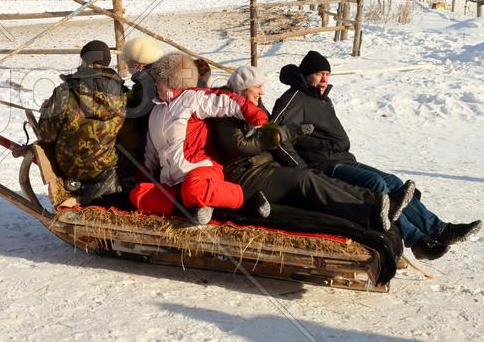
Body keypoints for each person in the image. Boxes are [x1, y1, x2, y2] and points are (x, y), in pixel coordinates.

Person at [272, 50, 482, 260]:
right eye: (319, 73)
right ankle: (417, 240)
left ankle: (440, 230)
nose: (325, 79)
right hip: (322, 165)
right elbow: (275, 133)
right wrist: (302, 169)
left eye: (328, 73)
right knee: (376, 183)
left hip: (343, 159)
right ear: (307, 74)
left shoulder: (323, 99)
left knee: (394, 182)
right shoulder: (295, 98)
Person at [211, 65, 410, 231]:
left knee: (312, 175)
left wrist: (294, 148)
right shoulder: (226, 111)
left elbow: (271, 132)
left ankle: (379, 202)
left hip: (267, 167)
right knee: (304, 180)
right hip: (246, 174)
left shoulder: (255, 106)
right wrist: (283, 133)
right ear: (243, 88)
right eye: (258, 87)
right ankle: (369, 214)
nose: (262, 92)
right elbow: (239, 145)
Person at [130, 53, 268, 224]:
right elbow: (151, 153)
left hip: (200, 172)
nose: (156, 84)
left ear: (175, 80)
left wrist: (257, 117)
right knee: (138, 194)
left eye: (161, 80)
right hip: (173, 183)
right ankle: (193, 206)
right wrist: (141, 177)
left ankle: (248, 197)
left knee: (195, 189)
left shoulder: (192, 98)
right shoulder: (156, 112)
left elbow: (226, 100)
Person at [37, 40, 127, 205]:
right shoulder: (122, 93)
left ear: (85, 61)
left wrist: (46, 111)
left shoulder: (65, 92)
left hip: (72, 167)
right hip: (108, 167)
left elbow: (46, 135)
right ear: (106, 63)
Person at [117, 36, 165, 179]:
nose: (127, 66)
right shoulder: (159, 74)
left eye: (128, 62)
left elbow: (138, 115)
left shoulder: (146, 82)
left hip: (150, 137)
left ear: (139, 64)